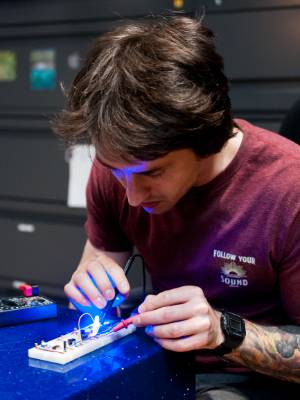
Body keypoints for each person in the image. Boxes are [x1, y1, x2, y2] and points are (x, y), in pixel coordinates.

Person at [54, 16, 300, 399]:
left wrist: (222, 331)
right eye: (117, 173)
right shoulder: (120, 167)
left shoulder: (289, 189)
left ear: (205, 137)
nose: (132, 195)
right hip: (154, 361)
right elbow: (100, 257)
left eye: (153, 172)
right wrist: (91, 280)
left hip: (249, 378)